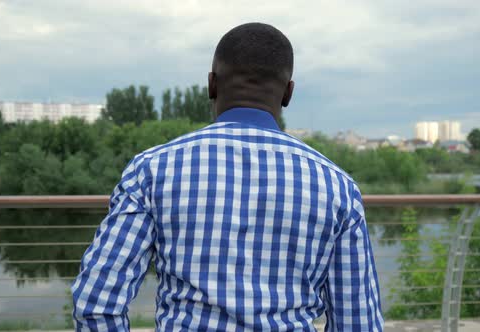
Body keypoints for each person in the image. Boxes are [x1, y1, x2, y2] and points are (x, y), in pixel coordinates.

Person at [72, 22, 383, 331]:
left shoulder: (152, 170)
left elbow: (97, 304)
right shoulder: (337, 187)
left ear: (211, 84)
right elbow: (359, 322)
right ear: (288, 93)